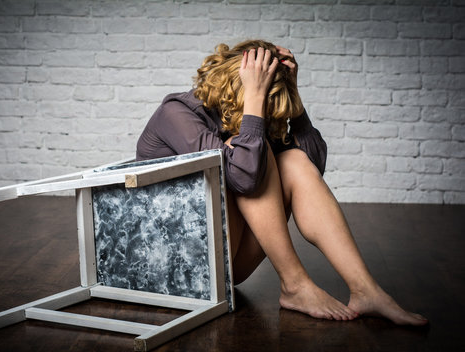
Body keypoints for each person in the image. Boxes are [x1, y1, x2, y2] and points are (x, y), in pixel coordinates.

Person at [136, 39, 428, 326]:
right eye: (261, 102)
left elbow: (312, 165)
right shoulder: (175, 114)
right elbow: (245, 178)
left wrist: (295, 102)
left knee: (292, 161)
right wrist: (253, 100)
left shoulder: (245, 117)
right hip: (175, 268)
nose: (263, 114)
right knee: (251, 156)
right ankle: (295, 284)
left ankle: (366, 290)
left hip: (224, 261)